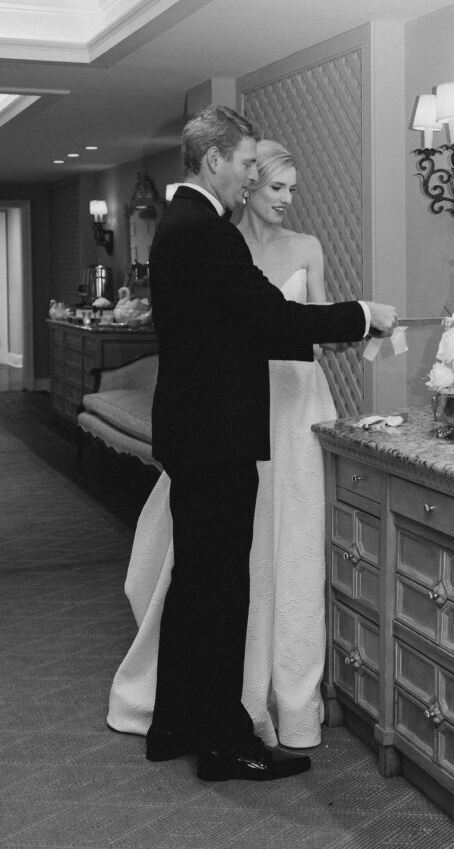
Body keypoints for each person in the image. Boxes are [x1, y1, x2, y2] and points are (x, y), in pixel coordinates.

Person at [114, 105, 396, 783]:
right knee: (219, 593)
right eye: (245, 163)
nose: (250, 174)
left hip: (195, 430)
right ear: (214, 160)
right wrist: (364, 316)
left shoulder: (180, 228)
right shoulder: (205, 231)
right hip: (219, 434)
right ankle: (223, 743)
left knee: (193, 589)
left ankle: (173, 725)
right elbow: (268, 321)